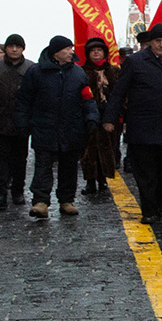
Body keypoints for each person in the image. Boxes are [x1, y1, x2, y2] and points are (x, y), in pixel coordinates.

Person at [103, 23, 162, 223]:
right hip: (142, 127)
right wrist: (110, 119)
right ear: (151, 42)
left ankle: (158, 203)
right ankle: (148, 209)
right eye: (158, 41)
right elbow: (119, 91)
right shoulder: (135, 62)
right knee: (145, 171)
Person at [14, 35, 98, 219]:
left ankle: (67, 200)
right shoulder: (36, 72)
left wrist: (92, 117)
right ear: (56, 52)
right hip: (44, 127)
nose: (71, 52)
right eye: (67, 49)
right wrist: (22, 123)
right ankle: (41, 201)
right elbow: (23, 100)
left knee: (68, 167)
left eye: (71, 48)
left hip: (72, 128)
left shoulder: (78, 73)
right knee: (43, 165)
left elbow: (87, 99)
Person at [0, 33, 31, 210]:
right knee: (0, 159)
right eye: (11, 46)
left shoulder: (30, 69)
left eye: (18, 47)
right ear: (6, 48)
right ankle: (0, 193)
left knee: (20, 159)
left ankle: (17, 191)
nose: (14, 49)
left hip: (21, 122)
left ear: (22, 49)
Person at [80, 36, 121, 197]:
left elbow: (121, 94)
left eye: (99, 50)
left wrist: (118, 114)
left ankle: (104, 179)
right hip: (89, 116)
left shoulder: (113, 71)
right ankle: (90, 181)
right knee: (89, 150)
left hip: (109, 116)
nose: (96, 53)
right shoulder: (82, 72)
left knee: (108, 148)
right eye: (93, 51)